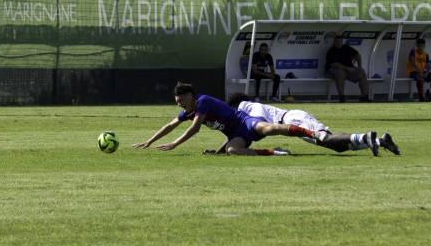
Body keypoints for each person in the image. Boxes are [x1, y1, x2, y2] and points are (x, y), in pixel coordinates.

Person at [132, 82, 330, 156]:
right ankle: (274, 152)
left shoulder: (202, 102)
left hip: (245, 122)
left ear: (190, 96)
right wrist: (149, 141)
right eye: (177, 102)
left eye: (181, 100)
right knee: (233, 151)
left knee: (269, 129)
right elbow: (170, 125)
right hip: (237, 135)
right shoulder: (189, 111)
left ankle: (312, 133)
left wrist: (174, 144)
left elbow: (195, 128)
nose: (179, 104)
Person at [226, 93, 400, 156]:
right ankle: (381, 141)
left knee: (326, 139)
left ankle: (364, 137)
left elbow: (260, 126)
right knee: (336, 146)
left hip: (292, 120)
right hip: (293, 118)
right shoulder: (248, 108)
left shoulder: (247, 106)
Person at [325, 33, 370, 102]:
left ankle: (364, 97)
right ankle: (342, 98)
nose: (338, 43)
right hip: (333, 71)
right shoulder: (331, 51)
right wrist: (347, 68)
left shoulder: (346, 48)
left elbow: (358, 55)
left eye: (340, 41)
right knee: (340, 72)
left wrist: (359, 66)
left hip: (348, 70)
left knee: (361, 72)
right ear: (334, 42)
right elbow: (335, 64)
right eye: (337, 41)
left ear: (342, 41)